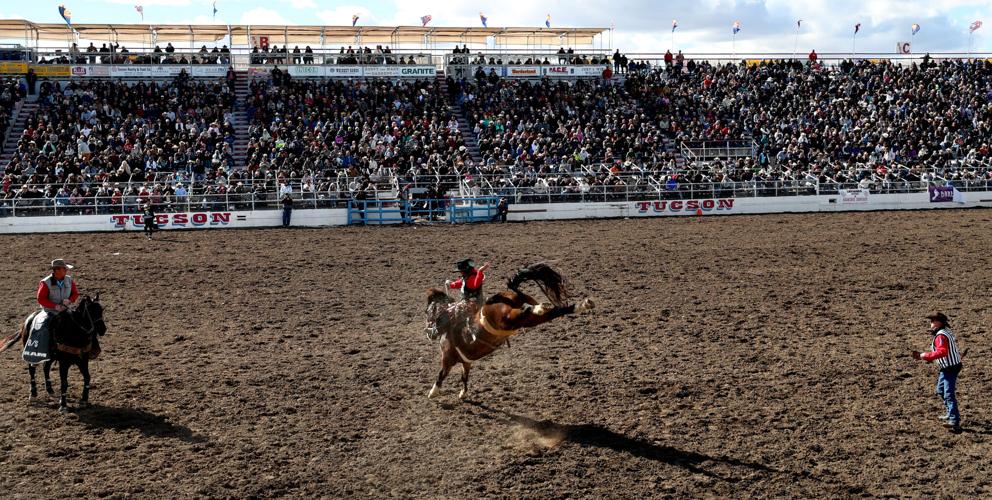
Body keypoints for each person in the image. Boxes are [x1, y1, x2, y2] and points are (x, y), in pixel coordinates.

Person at [911, 312, 963, 432]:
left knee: (949, 394)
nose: (931, 324)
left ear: (939, 322)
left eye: (933, 321)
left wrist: (925, 356)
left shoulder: (940, 336)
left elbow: (942, 352)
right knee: (940, 391)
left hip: (950, 368)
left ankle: (954, 420)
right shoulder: (945, 332)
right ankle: (950, 412)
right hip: (947, 367)